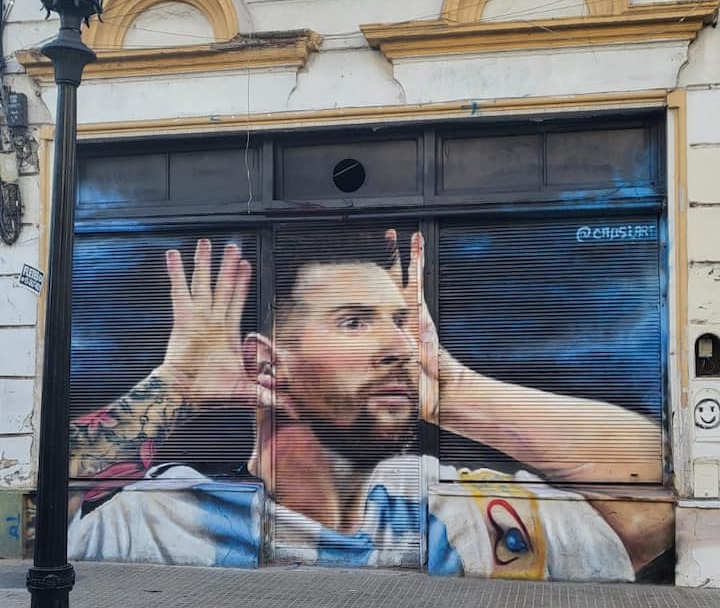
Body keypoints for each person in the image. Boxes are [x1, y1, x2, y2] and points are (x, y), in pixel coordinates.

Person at [67, 231, 673, 579]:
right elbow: (43, 522)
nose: (400, 346)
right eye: (355, 322)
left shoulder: (447, 510)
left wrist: (456, 394)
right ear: (267, 365)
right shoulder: (161, 517)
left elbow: (648, 510)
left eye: (401, 321)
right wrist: (173, 388)